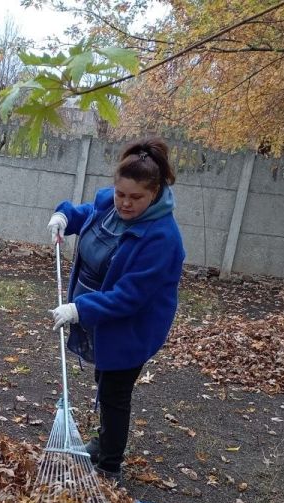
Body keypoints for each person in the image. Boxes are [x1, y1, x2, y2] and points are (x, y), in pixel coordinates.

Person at [47, 137, 184, 484]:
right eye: (121, 193)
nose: (124, 203)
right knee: (103, 379)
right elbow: (88, 213)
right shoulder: (111, 203)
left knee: (115, 391)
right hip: (100, 317)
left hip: (131, 327)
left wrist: (80, 309)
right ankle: (103, 442)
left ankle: (109, 466)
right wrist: (65, 216)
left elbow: (129, 297)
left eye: (135, 197)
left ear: (155, 192)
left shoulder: (163, 238)